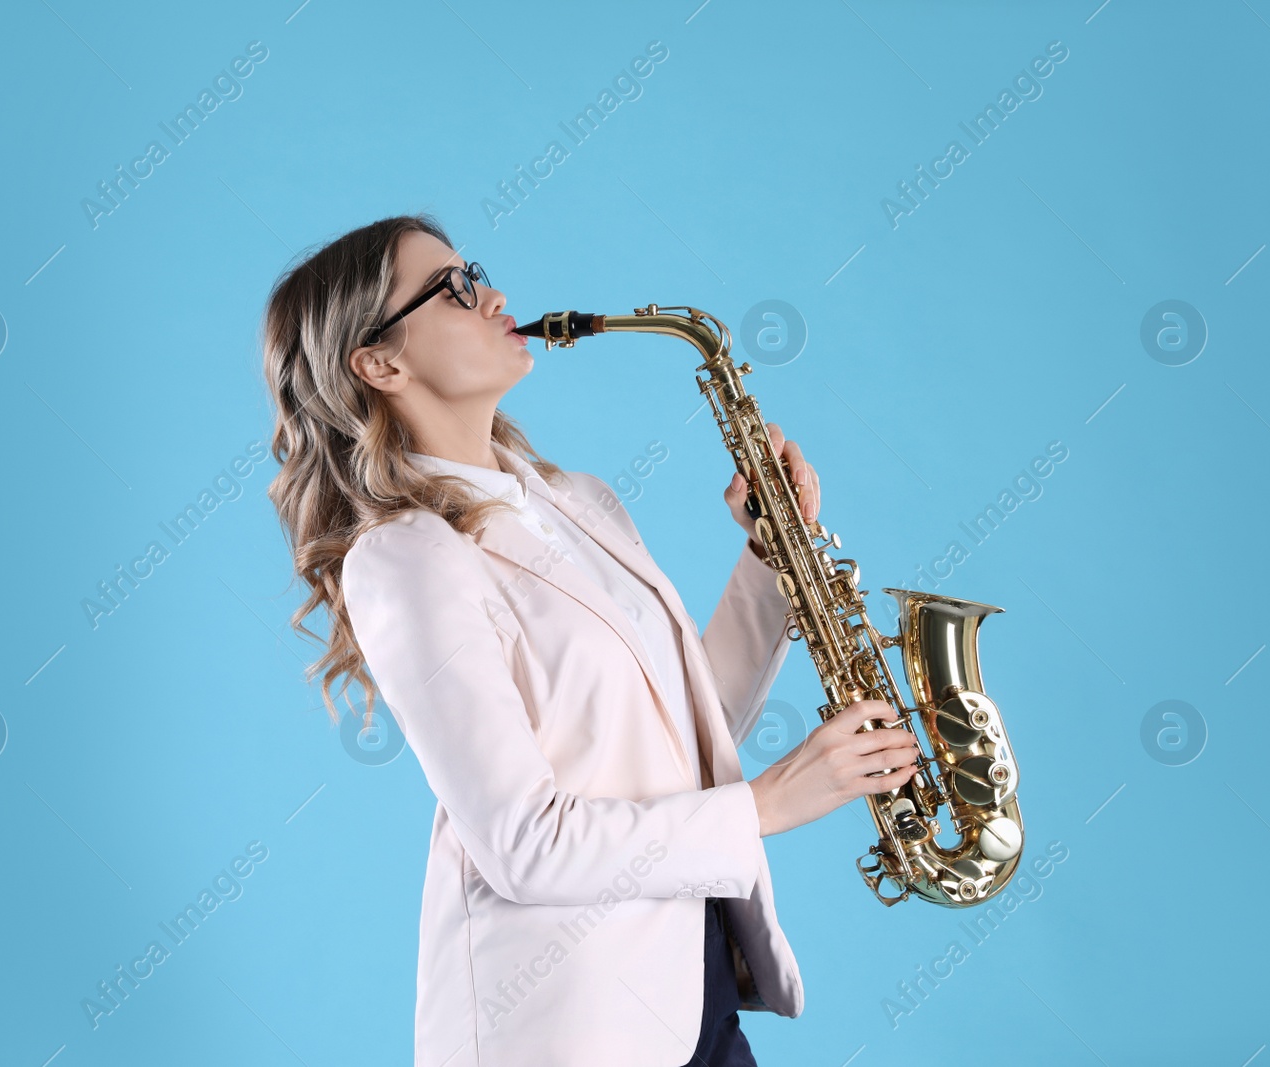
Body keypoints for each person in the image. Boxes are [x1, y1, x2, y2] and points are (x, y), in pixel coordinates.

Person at [260, 214, 920, 1067]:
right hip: (563, 1031)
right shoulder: (404, 557)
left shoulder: (579, 499)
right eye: (453, 289)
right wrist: (766, 805)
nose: (493, 296)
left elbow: (682, 733)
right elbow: (525, 845)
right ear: (381, 363)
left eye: (478, 273)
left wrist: (771, 558)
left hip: (690, 995)